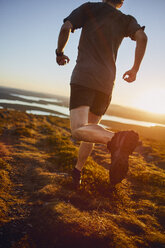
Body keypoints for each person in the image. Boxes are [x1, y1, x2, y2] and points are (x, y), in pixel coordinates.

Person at [56, 0, 147, 188]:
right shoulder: (126, 20)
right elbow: (143, 38)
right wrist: (135, 69)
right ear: (121, 3)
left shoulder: (89, 8)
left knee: (78, 129)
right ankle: (77, 172)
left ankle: (115, 139)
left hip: (84, 77)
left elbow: (66, 28)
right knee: (92, 129)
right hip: (106, 83)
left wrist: (59, 52)